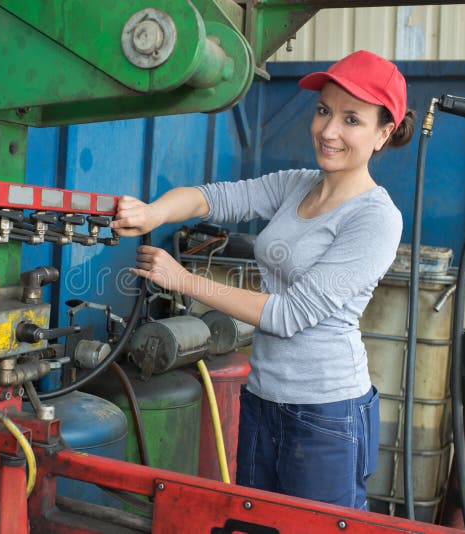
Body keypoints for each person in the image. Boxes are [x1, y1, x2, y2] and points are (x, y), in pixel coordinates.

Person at [110, 49, 414, 510]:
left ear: (383, 133)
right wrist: (154, 212)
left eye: (351, 120)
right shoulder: (298, 184)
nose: (329, 131)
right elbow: (212, 198)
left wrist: (185, 281)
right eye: (323, 111)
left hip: (325, 412)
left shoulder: (376, 219)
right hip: (263, 394)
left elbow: (290, 315)